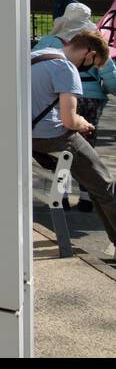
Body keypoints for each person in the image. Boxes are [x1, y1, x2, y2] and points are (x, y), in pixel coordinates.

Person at [31, 30, 116, 256]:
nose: (90, 68)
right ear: (88, 53)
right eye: (94, 63)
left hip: (27, 135)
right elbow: (69, 120)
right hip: (52, 137)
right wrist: (83, 124)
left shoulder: (40, 54)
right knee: (104, 183)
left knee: (95, 183)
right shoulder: (66, 68)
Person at [36, 2, 116, 124]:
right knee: (86, 136)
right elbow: (109, 75)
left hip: (56, 95)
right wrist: (105, 90)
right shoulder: (95, 44)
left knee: (60, 134)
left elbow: (34, 63)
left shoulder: (49, 41)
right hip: (90, 97)